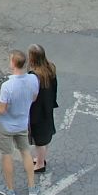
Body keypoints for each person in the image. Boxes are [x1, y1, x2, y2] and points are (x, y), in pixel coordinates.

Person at [0, 49, 42, 195]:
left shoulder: (8, 85)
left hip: (6, 125)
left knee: (7, 155)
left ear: (13, 63)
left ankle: (10, 189)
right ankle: (32, 187)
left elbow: (1, 110)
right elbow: (34, 98)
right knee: (26, 152)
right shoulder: (33, 79)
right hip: (22, 123)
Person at [27, 44, 59, 177]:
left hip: (37, 111)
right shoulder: (50, 68)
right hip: (47, 107)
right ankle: (41, 158)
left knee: (39, 140)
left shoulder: (35, 75)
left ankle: (40, 163)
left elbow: (32, 95)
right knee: (45, 136)